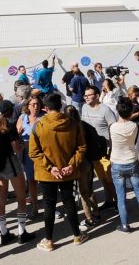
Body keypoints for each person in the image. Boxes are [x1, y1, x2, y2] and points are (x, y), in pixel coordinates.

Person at [29, 93, 88, 252]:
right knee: (69, 202)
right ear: (60, 106)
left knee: (49, 206)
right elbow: (81, 147)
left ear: (45, 108)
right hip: (68, 172)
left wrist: (50, 167)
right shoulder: (73, 123)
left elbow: (34, 152)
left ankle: (49, 241)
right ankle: (77, 235)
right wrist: (71, 165)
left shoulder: (39, 126)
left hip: (47, 174)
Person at [0, 100, 35, 245]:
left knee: (1, 200)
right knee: (21, 198)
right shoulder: (9, 124)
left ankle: (4, 233)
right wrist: (23, 143)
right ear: (10, 111)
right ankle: (22, 233)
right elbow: (16, 148)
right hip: (11, 164)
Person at [110, 97, 139, 233]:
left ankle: (125, 225)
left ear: (118, 111)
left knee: (121, 196)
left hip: (117, 162)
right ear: (130, 112)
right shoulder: (135, 126)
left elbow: (111, 144)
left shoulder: (112, 127)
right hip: (132, 160)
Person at [63, 106, 101, 232]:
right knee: (89, 189)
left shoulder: (71, 128)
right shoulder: (83, 125)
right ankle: (96, 212)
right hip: (88, 161)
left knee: (83, 193)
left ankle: (89, 219)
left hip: (79, 163)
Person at [81, 86, 117, 211]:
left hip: (105, 150)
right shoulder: (84, 107)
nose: (86, 97)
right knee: (102, 178)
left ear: (96, 96)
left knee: (110, 179)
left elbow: (113, 130)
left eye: (89, 95)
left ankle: (118, 203)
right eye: (85, 95)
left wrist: (112, 149)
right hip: (92, 151)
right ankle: (109, 201)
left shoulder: (105, 110)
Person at [16, 96, 44, 218]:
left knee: (44, 181)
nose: (36, 107)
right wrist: (19, 134)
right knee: (31, 181)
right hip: (27, 154)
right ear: (28, 106)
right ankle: (35, 208)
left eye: (37, 104)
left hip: (41, 153)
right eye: (33, 104)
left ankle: (50, 207)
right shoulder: (22, 117)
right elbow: (16, 137)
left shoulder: (44, 118)